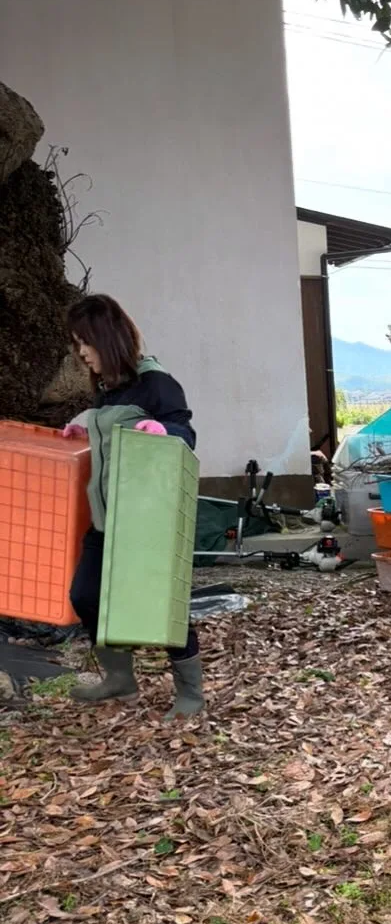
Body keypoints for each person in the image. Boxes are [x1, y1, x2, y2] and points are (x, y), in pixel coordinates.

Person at [62, 294, 205, 718]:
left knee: (160, 603)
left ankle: (191, 693)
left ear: (108, 338)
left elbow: (186, 433)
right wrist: (83, 422)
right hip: (106, 518)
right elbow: (113, 426)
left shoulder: (156, 383)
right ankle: (120, 679)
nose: (82, 353)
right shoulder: (109, 391)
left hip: (145, 522)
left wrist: (164, 429)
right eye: (77, 344)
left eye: (85, 342)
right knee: (85, 595)